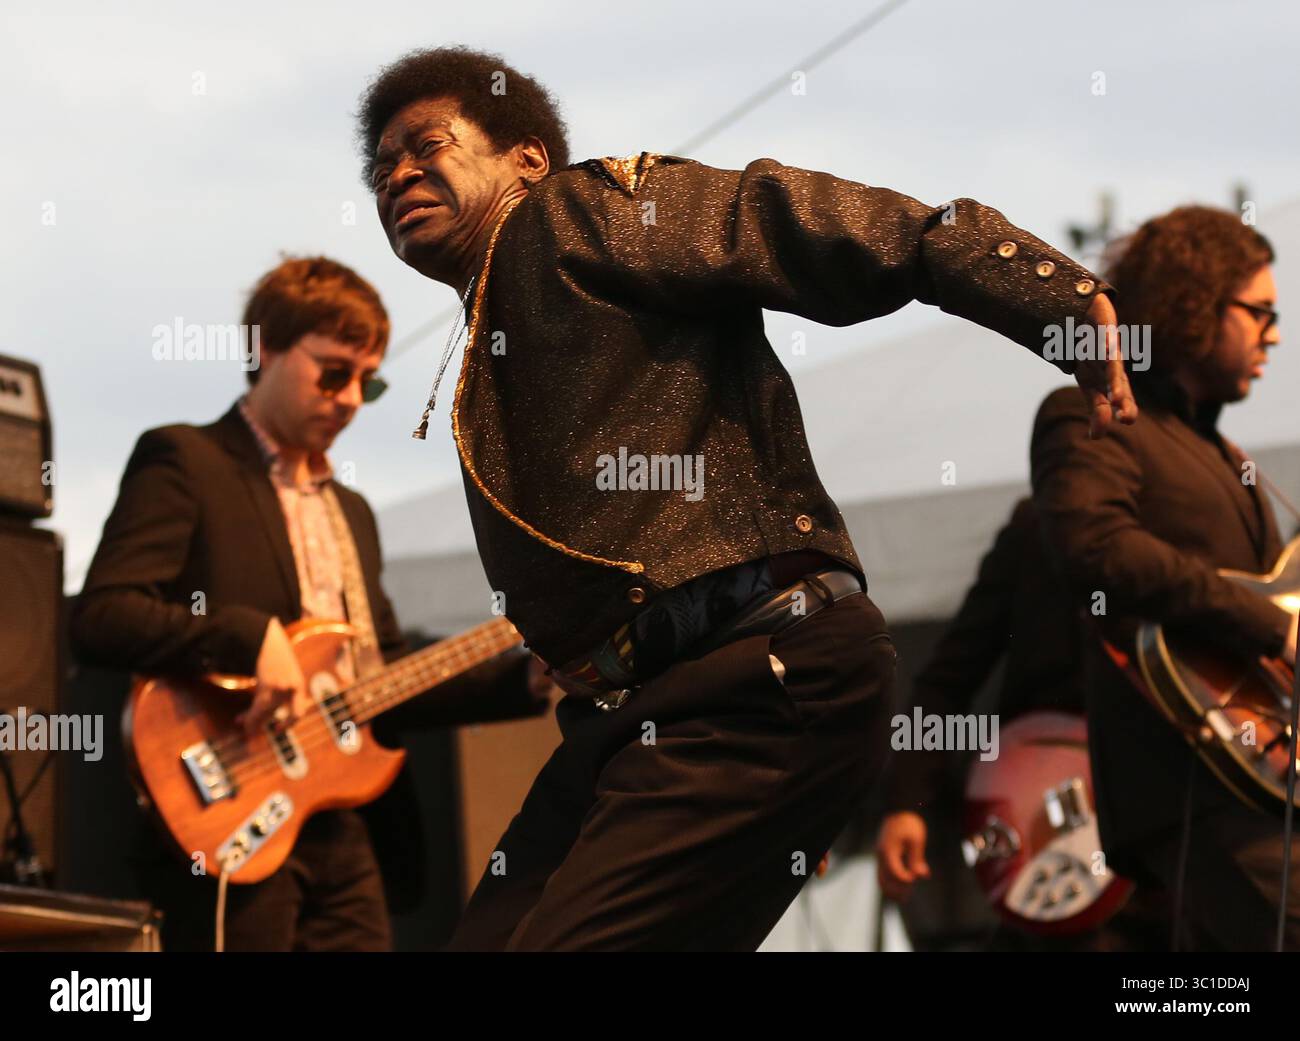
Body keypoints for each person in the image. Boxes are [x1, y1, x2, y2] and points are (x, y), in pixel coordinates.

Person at [357, 44, 1135, 950]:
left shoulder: (575, 213)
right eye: (379, 168)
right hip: (638, 718)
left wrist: (1039, 288)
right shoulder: (491, 323)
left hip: (758, 671)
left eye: (427, 145)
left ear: (527, 159)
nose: (398, 173)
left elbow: (779, 216)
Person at [69, 256, 542, 951]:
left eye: (368, 382)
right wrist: (247, 638)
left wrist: (525, 675)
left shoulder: (352, 511)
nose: (350, 396)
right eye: (332, 372)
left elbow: (386, 682)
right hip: (231, 802)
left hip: (343, 819)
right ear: (263, 349)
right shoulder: (185, 460)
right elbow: (101, 617)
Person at [1030, 205, 1299, 950]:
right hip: (1189, 779)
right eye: (1260, 312)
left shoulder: (1220, 450)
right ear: (1195, 301)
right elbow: (1096, 545)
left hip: (1258, 772)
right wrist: (1280, 628)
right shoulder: (1091, 411)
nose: (1275, 332)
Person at [877, 497, 1167, 951]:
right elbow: (947, 678)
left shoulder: (1194, 504)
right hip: (1046, 835)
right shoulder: (1036, 525)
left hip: (1165, 840)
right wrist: (905, 802)